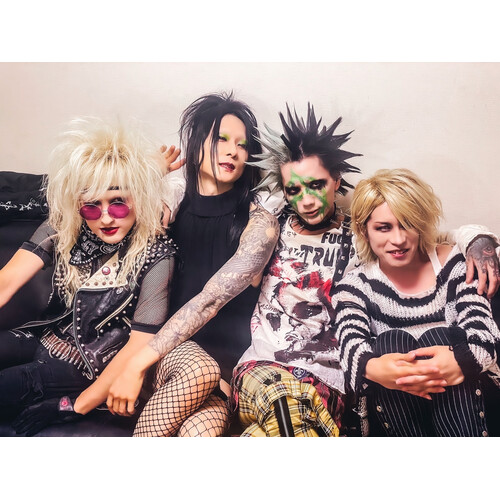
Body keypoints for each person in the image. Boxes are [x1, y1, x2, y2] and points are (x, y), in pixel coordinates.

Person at [231, 104, 500, 437]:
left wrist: (478, 238)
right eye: (294, 190)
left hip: (336, 384)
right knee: (387, 345)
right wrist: (374, 367)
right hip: (272, 372)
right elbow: (352, 340)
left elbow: (434, 244)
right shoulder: (277, 233)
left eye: (316, 185)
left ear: (336, 180)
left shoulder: (378, 242)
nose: (307, 201)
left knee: (430, 339)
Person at [107, 92, 279, 437]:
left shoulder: (260, 222)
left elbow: (211, 300)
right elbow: (107, 224)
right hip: (164, 353)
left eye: (242, 145)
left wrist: (134, 366)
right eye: (221, 139)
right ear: (197, 142)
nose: (233, 151)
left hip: (222, 366)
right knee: (198, 369)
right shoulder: (169, 203)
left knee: (201, 432)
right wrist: (151, 180)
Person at [0, 117, 177, 435]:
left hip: (85, 366)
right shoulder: (66, 227)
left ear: (138, 199)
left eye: (119, 205)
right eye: (92, 207)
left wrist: (72, 406)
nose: (106, 218)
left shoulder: (157, 253)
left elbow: (138, 346)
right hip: (44, 337)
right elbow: (7, 280)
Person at [331, 168, 500, 436]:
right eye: (383, 227)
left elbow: (483, 334)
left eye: (407, 223)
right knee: (392, 342)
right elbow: (350, 346)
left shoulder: (455, 264)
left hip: (467, 402)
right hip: (396, 411)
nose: (398, 240)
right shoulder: (354, 285)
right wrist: (377, 369)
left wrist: (458, 361)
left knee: (438, 337)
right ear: (364, 230)